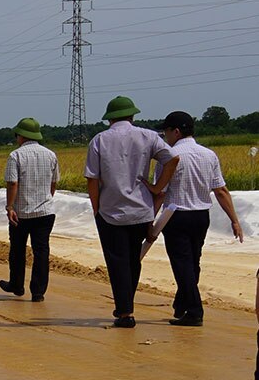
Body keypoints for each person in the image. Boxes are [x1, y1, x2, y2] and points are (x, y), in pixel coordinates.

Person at [84, 95, 180, 328]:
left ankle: (125, 312)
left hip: (110, 211)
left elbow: (92, 179)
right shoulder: (148, 136)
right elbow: (172, 159)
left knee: (117, 261)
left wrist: (96, 208)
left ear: (110, 119)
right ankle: (127, 304)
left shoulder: (100, 140)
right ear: (132, 116)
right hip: (141, 210)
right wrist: (157, 188)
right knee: (133, 259)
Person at [153, 110, 245, 327]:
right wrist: (234, 219)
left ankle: (194, 311)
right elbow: (221, 190)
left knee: (182, 264)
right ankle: (182, 303)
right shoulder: (209, 154)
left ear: (176, 131)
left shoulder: (168, 156)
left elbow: (161, 192)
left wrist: (150, 220)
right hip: (201, 216)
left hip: (176, 216)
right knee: (194, 262)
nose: (165, 136)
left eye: (166, 131)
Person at [0, 117, 59, 301]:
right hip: (45, 212)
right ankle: (38, 292)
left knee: (17, 249)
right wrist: (46, 200)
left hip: (21, 212)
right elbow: (53, 183)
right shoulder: (50, 155)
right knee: (41, 251)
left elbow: (12, 183)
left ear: (21, 136)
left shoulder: (15, 156)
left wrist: (10, 206)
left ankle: (17, 285)